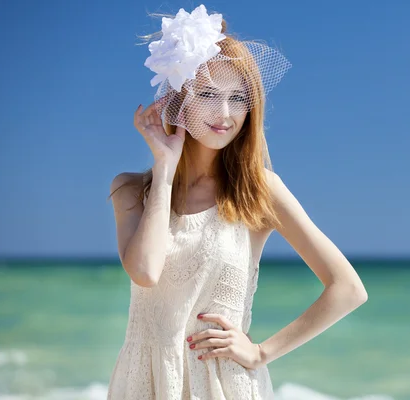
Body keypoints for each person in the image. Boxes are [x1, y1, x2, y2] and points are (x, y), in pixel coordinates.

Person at [107, 5, 368, 399]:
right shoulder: (131, 191)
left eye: (239, 97)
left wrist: (262, 351)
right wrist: (164, 169)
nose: (226, 114)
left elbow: (348, 288)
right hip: (143, 382)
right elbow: (145, 271)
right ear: (179, 99)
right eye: (209, 95)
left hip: (221, 384)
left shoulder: (258, 189)